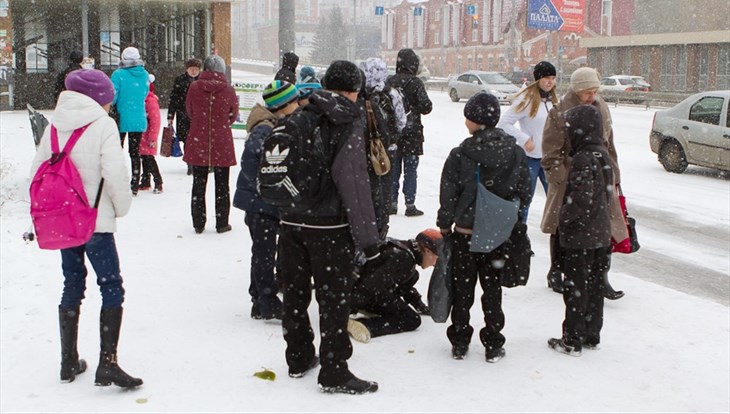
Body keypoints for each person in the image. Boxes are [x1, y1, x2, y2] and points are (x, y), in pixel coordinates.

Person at [30, 69, 142, 388]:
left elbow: (37, 171)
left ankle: (68, 361)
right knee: (111, 285)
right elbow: (116, 172)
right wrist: (121, 207)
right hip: (95, 220)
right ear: (99, 99)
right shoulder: (103, 126)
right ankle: (108, 363)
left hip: (66, 221)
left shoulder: (54, 126)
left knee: (73, 283)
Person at [278, 60, 380, 395]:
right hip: (328, 225)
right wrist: (369, 239)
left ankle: (298, 356)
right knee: (333, 299)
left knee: (295, 293)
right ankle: (334, 369)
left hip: (291, 220)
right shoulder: (346, 121)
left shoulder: (302, 114)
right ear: (353, 90)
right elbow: (353, 182)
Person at [436, 92, 531, 363]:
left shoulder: (460, 154)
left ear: (472, 120)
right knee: (493, 290)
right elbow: (524, 191)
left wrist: (445, 225)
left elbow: (448, 194)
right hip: (497, 236)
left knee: (462, 290)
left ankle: (460, 339)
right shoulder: (514, 152)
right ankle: (493, 341)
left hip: (465, 234)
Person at [541, 67, 629, 300]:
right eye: (588, 92)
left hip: (601, 175)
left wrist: (615, 174)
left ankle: (602, 278)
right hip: (570, 178)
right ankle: (556, 271)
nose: (592, 96)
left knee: (604, 225)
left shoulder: (601, 107)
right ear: (577, 90)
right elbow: (551, 152)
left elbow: (609, 144)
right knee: (563, 224)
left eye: (595, 91)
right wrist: (563, 179)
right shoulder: (560, 112)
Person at [548, 104, 614, 356]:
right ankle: (591, 333)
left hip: (581, 235)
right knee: (595, 286)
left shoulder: (583, 159)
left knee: (576, 289)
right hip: (600, 234)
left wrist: (564, 219)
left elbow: (581, 198)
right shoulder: (602, 154)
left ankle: (572, 338)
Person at [232, 80, 299, 320]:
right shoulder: (264, 128)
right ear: (282, 105)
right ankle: (265, 299)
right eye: (294, 101)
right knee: (264, 251)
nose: (298, 104)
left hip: (266, 200)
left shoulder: (276, 125)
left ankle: (260, 300)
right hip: (260, 201)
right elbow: (251, 162)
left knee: (265, 250)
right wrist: (266, 187)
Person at [347, 229, 438, 343]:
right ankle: (364, 325)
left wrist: (419, 305)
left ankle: (365, 307)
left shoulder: (404, 250)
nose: (435, 264)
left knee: (413, 276)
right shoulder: (403, 258)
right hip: (357, 294)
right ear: (427, 251)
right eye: (436, 257)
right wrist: (350, 307)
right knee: (411, 319)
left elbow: (404, 286)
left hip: (355, 290)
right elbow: (371, 285)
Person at [184, 54, 238, 234]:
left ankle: (198, 222)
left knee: (198, 183)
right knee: (222, 184)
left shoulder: (194, 87)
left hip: (199, 138)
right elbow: (233, 115)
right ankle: (222, 222)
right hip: (221, 140)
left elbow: (189, 110)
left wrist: (202, 121)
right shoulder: (229, 90)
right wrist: (220, 124)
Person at [496, 61, 557, 221]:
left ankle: (559, 235)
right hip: (530, 159)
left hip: (550, 159)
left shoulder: (554, 101)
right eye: (546, 78)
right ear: (537, 79)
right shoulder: (526, 100)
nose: (550, 81)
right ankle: (519, 235)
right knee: (524, 200)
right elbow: (503, 124)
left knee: (556, 199)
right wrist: (524, 139)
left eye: (553, 78)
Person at [359, 57, 407, 237]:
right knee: (384, 192)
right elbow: (402, 121)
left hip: (362, 149)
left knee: (365, 191)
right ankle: (381, 231)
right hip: (386, 151)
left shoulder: (360, 93)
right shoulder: (392, 93)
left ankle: (366, 229)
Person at [386, 48, 432, 217]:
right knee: (411, 170)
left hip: (394, 133)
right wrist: (413, 109)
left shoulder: (390, 81)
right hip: (413, 134)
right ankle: (410, 204)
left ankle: (391, 203)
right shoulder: (416, 83)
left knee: (394, 169)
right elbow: (427, 107)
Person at [110, 46, 150, 196]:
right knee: (135, 152)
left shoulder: (118, 74)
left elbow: (112, 96)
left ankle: (117, 181)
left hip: (120, 117)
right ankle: (135, 183)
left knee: (116, 151)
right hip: (138, 117)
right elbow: (145, 93)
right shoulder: (144, 74)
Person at [167, 58, 202, 175]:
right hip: (183, 115)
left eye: (196, 69)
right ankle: (190, 162)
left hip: (199, 116)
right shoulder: (180, 80)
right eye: (191, 69)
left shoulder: (203, 81)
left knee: (198, 140)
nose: (193, 71)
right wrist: (170, 115)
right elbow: (173, 99)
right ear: (187, 69)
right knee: (187, 140)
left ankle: (197, 161)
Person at [139, 74, 163, 194]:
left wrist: (152, 137)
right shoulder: (143, 99)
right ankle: (146, 181)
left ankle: (158, 182)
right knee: (145, 158)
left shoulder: (150, 100)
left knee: (149, 159)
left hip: (148, 136)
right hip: (143, 135)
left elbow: (155, 120)